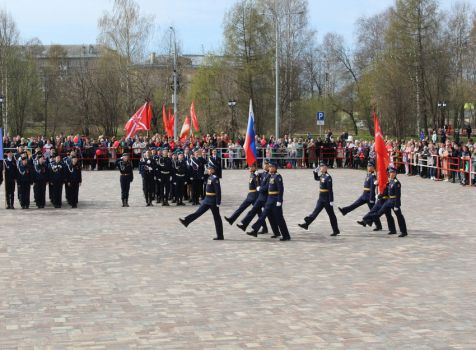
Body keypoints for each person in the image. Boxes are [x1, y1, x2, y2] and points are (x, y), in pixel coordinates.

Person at [246, 162, 291, 241]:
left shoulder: (278, 177)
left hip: (276, 199)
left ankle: (286, 235)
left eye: (271, 167)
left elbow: (281, 189)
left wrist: (279, 200)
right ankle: (255, 230)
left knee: (279, 219)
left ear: (275, 168)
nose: (269, 168)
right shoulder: (271, 176)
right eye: (269, 167)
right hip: (269, 199)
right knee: (263, 215)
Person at [179, 165, 224, 240]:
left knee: (217, 218)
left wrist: (218, 201)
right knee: (198, 212)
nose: (208, 170)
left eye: (210, 169)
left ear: (213, 170)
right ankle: (186, 221)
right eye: (208, 169)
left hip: (213, 201)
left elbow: (218, 191)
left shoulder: (215, 178)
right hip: (207, 200)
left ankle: (220, 235)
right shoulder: (209, 177)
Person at [361, 166, 407, 237]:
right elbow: (386, 191)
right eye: (390, 172)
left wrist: (397, 206)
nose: (391, 174)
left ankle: (403, 232)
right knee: (379, 212)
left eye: (393, 173)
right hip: (389, 201)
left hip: (394, 202)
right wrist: (380, 195)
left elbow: (398, 195)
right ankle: (391, 230)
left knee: (399, 216)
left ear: (395, 174)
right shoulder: (390, 181)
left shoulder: (396, 183)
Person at [337, 161, 382, 231]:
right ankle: (344, 211)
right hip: (364, 194)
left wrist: (372, 198)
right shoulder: (368, 175)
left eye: (370, 166)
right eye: (368, 166)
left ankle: (378, 225)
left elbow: (373, 188)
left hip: (369, 196)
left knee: (373, 211)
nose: (368, 167)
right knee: (355, 204)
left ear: (373, 168)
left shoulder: (373, 176)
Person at [298, 161, 340, 236]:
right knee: (315, 212)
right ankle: (306, 224)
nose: (320, 168)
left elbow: (330, 190)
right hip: (321, 198)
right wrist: (315, 172)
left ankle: (336, 230)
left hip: (327, 199)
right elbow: (316, 178)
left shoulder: (328, 177)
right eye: (320, 166)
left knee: (331, 215)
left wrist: (331, 200)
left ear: (326, 168)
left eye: (322, 166)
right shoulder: (322, 176)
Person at [224, 164, 268, 235]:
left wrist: (257, 177)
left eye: (251, 167)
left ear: (254, 167)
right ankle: (232, 219)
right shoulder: (252, 174)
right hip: (250, 195)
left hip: (254, 196)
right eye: (249, 167)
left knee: (257, 212)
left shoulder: (256, 176)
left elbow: (258, 186)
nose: (249, 168)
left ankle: (264, 228)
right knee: (242, 208)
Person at [236, 162, 277, 237]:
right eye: (265, 165)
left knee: (269, 216)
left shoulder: (271, 175)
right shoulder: (264, 173)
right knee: (252, 211)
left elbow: (268, 187)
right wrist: (255, 172)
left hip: (266, 198)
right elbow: (258, 175)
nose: (266, 166)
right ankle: (244, 225)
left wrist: (259, 188)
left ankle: (276, 232)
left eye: (268, 166)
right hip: (260, 197)